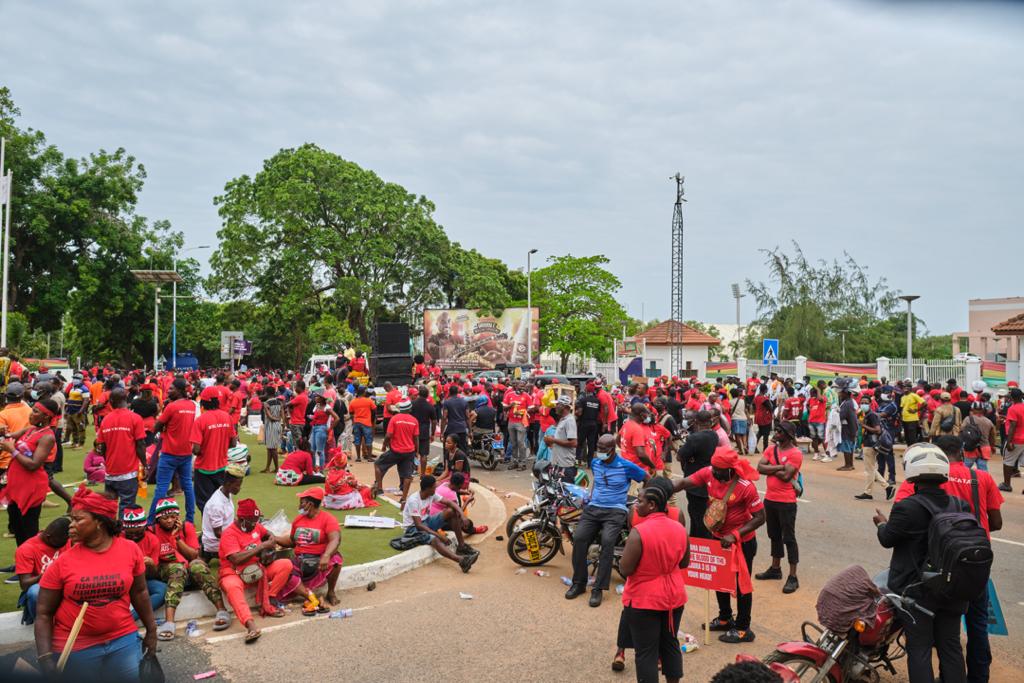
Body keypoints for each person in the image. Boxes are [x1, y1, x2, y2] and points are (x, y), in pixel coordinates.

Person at [891, 436, 1002, 683]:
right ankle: (979, 678)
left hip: (931, 575)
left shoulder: (916, 484)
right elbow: (996, 523)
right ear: (961, 452)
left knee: (921, 644)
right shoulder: (980, 478)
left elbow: (898, 526)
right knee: (973, 631)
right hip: (972, 566)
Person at [34, 487, 157, 679]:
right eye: (72, 519)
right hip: (76, 646)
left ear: (99, 522)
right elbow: (43, 613)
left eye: (78, 519)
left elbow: (140, 592)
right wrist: (45, 658)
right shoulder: (63, 562)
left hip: (122, 640)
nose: (70, 525)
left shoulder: (130, 550)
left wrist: (151, 631)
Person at [872, 443, 969, 683]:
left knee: (920, 649)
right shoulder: (960, 505)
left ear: (912, 472)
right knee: (951, 647)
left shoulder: (907, 507)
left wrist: (882, 523)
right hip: (952, 588)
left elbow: (887, 539)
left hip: (917, 591)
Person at [673, 448, 765, 643]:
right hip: (718, 538)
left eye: (718, 469)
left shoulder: (745, 486)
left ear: (730, 469)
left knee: (741, 585)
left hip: (742, 543)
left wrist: (736, 534)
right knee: (719, 579)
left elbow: (760, 517)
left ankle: (742, 627)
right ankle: (725, 618)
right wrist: (662, 488)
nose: (713, 472)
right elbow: (684, 482)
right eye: (713, 467)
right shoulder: (709, 472)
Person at [617, 477, 689, 683]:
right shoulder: (679, 528)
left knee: (646, 652)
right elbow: (684, 563)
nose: (635, 504)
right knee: (670, 644)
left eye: (639, 501)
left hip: (644, 599)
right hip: (674, 597)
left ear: (652, 505)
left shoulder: (639, 532)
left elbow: (625, 568)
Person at [565, 434, 649, 608]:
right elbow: (597, 480)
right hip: (594, 508)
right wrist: (592, 496)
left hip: (615, 510)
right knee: (579, 538)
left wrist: (643, 499)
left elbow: (647, 478)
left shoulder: (626, 466)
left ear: (612, 450)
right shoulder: (596, 463)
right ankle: (579, 583)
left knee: (608, 541)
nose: (600, 452)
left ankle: (598, 589)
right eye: (599, 448)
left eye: (604, 450)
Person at [148, 496, 229, 639]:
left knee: (197, 565)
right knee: (177, 568)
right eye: (165, 517)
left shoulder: (186, 527)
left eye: (173, 516)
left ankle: (221, 610)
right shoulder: (152, 532)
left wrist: (177, 538)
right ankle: (169, 622)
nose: (169, 521)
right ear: (158, 519)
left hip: (187, 567)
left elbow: (193, 555)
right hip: (167, 570)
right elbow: (154, 565)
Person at [218, 498, 293, 643]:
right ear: (241, 519)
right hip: (234, 572)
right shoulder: (229, 534)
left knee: (286, 564)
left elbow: (268, 534)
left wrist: (270, 541)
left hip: (257, 570)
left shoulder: (256, 526)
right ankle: (250, 625)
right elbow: (235, 559)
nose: (255, 524)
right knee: (232, 587)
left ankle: (269, 600)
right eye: (251, 521)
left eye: (256, 521)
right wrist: (261, 547)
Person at [274, 487, 344, 611]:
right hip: (300, 560)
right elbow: (292, 541)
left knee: (336, 560)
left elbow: (335, 539)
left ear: (309, 504)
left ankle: (331, 592)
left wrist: (326, 555)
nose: (299, 505)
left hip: (319, 558)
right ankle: (310, 596)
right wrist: (274, 538)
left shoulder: (328, 519)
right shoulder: (298, 520)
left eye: (302, 502)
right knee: (286, 571)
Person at [2, 398, 60, 545]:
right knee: (17, 526)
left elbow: (33, 464)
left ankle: (32, 564)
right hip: (16, 486)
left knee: (28, 528)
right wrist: (4, 432)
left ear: (46, 416)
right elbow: (8, 437)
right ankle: (22, 561)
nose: (30, 414)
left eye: (35, 411)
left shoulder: (47, 436)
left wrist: (12, 450)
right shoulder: (30, 430)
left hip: (30, 487)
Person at [394, 475, 479, 572]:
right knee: (434, 539)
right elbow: (419, 525)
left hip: (427, 521)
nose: (436, 489)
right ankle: (461, 561)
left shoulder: (431, 494)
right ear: (427, 488)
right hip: (413, 529)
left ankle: (461, 546)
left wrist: (462, 516)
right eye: (434, 487)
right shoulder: (414, 500)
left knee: (451, 511)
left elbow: (451, 503)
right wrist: (438, 535)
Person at [754, 421, 802, 594]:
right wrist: (781, 466)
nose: (776, 433)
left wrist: (771, 468)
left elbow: (787, 475)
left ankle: (793, 576)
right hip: (770, 499)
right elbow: (759, 468)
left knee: (789, 538)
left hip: (787, 501)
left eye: (780, 431)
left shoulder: (795, 453)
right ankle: (775, 569)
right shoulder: (771, 449)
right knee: (774, 535)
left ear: (788, 435)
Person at [150, 379, 198, 523]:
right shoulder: (191, 405)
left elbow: (156, 427)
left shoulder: (171, 406)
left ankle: (151, 521)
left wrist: (164, 425)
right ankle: (190, 519)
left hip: (169, 452)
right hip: (186, 453)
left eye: (171, 389)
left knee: (161, 488)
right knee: (188, 486)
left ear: (179, 390)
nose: (168, 391)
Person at [96, 388, 148, 514]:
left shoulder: (106, 420)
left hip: (110, 473)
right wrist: (145, 465)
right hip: (128, 473)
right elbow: (140, 444)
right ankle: (122, 533)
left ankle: (111, 533)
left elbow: (102, 447)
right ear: (126, 399)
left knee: (109, 508)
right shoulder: (135, 418)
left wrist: (108, 460)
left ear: (112, 401)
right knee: (127, 509)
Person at [191, 387, 238, 518]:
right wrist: (219, 447)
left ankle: (211, 534)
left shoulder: (200, 420)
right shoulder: (227, 417)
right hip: (222, 467)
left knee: (205, 504)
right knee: (222, 501)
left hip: (204, 469)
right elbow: (233, 443)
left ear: (203, 403)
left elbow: (196, 449)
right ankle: (222, 529)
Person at [15, 517, 70, 625]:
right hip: (42, 586)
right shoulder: (27, 549)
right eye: (61, 542)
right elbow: (25, 584)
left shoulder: (65, 540)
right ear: (48, 537)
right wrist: (46, 575)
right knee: (34, 592)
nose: (65, 544)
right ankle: (43, 625)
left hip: (64, 583)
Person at [375, 399, 419, 504]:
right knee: (407, 475)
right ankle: (404, 498)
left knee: (377, 464)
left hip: (395, 451)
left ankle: (379, 490)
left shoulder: (394, 419)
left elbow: (388, 435)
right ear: (409, 409)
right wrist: (416, 451)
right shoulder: (414, 420)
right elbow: (416, 437)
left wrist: (384, 445)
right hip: (409, 451)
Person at [201, 463, 246, 560]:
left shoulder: (226, 492)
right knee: (251, 546)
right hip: (215, 545)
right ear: (228, 484)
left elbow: (227, 519)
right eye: (238, 485)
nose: (239, 488)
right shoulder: (217, 504)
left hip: (225, 536)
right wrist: (239, 536)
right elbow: (218, 533)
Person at [855, 396, 894, 501]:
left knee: (869, 470)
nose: (863, 404)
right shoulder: (866, 414)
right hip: (868, 443)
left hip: (870, 444)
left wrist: (863, 426)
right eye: (862, 402)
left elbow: (877, 430)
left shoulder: (872, 415)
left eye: (865, 402)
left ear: (870, 404)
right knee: (871, 468)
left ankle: (868, 492)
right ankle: (887, 487)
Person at [547, 395, 579, 483]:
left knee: (565, 492)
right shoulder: (563, 419)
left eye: (558, 404)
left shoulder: (569, 421)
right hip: (558, 463)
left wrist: (553, 440)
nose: (556, 407)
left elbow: (573, 443)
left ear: (564, 407)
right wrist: (552, 440)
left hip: (565, 465)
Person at [998, 387, 1024, 493]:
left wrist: (1009, 441)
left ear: (1011, 397)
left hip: (1016, 439)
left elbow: (1013, 425)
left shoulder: (1013, 408)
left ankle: (1007, 485)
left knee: (1008, 462)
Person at [410, 386, 438, 476]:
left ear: (418, 394)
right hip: (425, 432)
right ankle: (422, 474)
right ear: (427, 395)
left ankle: (412, 471)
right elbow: (434, 421)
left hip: (413, 430)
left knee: (412, 452)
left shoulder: (412, 404)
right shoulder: (430, 406)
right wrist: (433, 434)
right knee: (424, 454)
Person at [962, 401, 997, 471]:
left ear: (972, 409)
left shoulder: (967, 419)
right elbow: (992, 436)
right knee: (983, 469)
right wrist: (992, 446)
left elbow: (961, 431)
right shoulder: (988, 421)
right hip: (984, 448)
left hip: (971, 448)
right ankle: (985, 481)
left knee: (965, 469)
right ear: (983, 410)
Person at [309, 392, 338, 470]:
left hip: (321, 429)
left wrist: (330, 429)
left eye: (317, 396)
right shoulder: (317, 406)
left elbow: (337, 418)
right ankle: (314, 468)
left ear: (322, 399)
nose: (315, 398)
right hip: (315, 428)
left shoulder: (327, 408)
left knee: (320, 450)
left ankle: (320, 469)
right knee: (312, 449)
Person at [348, 386, 377, 462]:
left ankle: (358, 457)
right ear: (364, 392)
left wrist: (354, 420)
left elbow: (351, 412)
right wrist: (372, 419)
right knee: (368, 440)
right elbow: (374, 410)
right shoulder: (369, 401)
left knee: (357, 440)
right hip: (367, 423)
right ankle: (370, 458)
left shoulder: (353, 401)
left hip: (357, 422)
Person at [575, 383, 601, 466]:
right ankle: (590, 463)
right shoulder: (597, 401)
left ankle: (578, 461)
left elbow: (579, 412)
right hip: (594, 424)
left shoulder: (583, 400)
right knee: (591, 443)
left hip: (584, 424)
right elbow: (598, 412)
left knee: (580, 442)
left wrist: (575, 413)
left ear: (586, 390)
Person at [441, 384, 471, 455]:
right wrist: (470, 431)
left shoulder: (447, 402)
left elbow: (444, 418)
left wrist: (442, 433)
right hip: (462, 429)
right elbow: (468, 417)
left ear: (449, 392)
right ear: (457, 392)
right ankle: (462, 464)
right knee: (462, 450)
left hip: (451, 429)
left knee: (447, 449)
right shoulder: (464, 402)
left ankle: (447, 465)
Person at [64, 374, 91, 449]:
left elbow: (86, 401)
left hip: (78, 411)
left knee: (80, 428)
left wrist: (81, 410)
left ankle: (81, 444)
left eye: (77, 378)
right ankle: (74, 442)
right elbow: (69, 399)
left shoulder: (84, 389)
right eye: (74, 378)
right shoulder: (73, 388)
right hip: (70, 411)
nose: (74, 380)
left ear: (81, 379)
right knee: (73, 427)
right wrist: (67, 410)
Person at [260, 387, 284, 472]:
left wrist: (276, 419)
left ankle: (276, 468)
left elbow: (269, 416)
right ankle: (268, 467)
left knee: (272, 448)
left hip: (271, 425)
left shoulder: (266, 403)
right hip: (278, 425)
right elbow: (282, 415)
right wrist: (281, 423)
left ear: (267, 393)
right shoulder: (280, 402)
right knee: (270, 447)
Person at [806, 387, 827, 458]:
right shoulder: (810, 399)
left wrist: (818, 390)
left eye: (811, 393)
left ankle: (827, 454)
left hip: (820, 421)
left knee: (822, 438)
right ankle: (816, 453)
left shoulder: (823, 398)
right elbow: (807, 405)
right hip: (811, 421)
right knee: (814, 438)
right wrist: (810, 411)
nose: (810, 395)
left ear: (815, 393)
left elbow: (820, 399)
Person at [752, 385, 774, 453]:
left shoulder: (756, 397)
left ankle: (754, 446)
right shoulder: (764, 398)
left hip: (758, 415)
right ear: (765, 390)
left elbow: (753, 405)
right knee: (766, 433)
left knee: (760, 432)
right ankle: (765, 449)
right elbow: (770, 407)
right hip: (764, 417)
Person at [729, 387, 748, 455]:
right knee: (744, 434)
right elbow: (745, 410)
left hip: (735, 419)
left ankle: (740, 450)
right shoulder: (742, 401)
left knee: (737, 435)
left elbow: (730, 411)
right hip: (744, 418)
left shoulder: (730, 402)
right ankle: (745, 446)